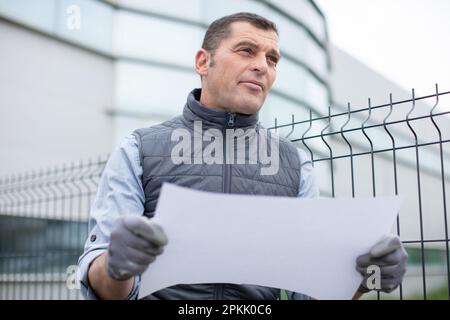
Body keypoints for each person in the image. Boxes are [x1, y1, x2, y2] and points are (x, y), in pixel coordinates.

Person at [77, 12, 407, 300]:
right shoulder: (138, 149)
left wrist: (359, 282)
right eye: (247, 50)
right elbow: (104, 285)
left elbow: (306, 295)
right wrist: (115, 268)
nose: (262, 66)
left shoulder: (295, 164)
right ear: (203, 62)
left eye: (272, 59)